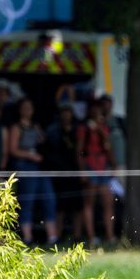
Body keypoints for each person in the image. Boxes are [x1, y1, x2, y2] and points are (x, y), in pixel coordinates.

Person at [8, 97, 58, 245]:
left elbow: (43, 142)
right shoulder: (16, 127)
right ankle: (27, 237)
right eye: (24, 107)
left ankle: (52, 237)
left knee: (49, 199)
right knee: (27, 201)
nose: (27, 110)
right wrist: (30, 155)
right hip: (24, 166)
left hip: (39, 167)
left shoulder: (36, 126)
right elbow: (13, 150)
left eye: (30, 107)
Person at [76, 102, 117, 245]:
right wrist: (82, 171)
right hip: (90, 166)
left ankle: (110, 235)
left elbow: (108, 146)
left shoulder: (103, 127)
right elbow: (80, 151)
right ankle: (91, 236)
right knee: (89, 203)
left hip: (103, 166)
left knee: (108, 202)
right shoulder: (84, 128)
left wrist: (113, 165)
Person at [45, 102, 82, 241]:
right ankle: (58, 235)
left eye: (69, 112)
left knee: (77, 206)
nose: (66, 115)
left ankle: (77, 236)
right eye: (64, 112)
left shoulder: (77, 130)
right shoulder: (53, 131)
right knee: (59, 206)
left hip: (75, 172)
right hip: (59, 173)